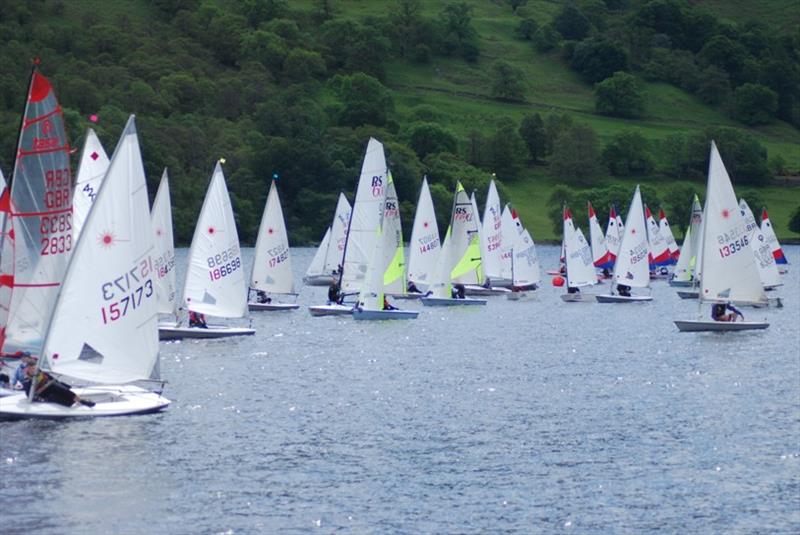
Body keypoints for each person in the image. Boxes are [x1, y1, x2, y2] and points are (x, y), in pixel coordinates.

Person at [23, 365, 95, 407]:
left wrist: (63, 385)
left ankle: (81, 400)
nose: (33, 370)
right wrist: (40, 399)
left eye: (34, 368)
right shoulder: (27, 380)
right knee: (69, 403)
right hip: (44, 395)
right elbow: (29, 395)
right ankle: (77, 401)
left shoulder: (43, 374)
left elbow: (53, 380)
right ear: (28, 371)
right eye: (30, 369)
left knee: (58, 386)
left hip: (52, 388)